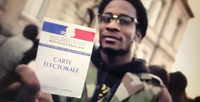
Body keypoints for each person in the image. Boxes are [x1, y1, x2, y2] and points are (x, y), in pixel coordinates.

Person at [0, 0, 172, 102]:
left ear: (138, 35)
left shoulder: (155, 92)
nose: (112, 26)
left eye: (124, 21)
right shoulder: (69, 67)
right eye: (106, 18)